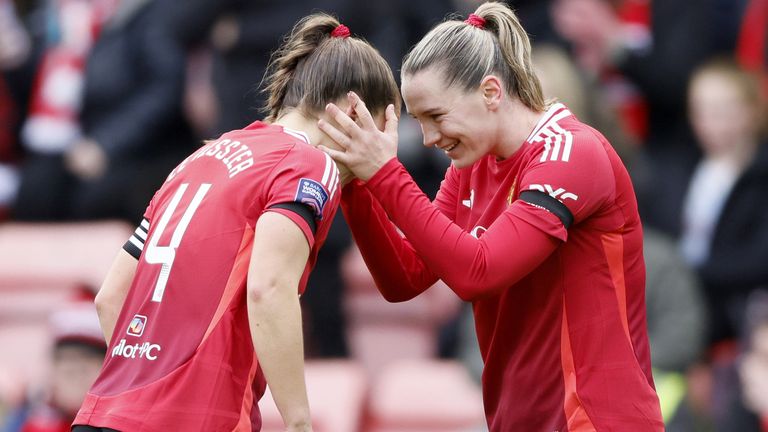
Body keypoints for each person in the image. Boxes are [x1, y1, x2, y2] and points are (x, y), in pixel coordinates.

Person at [317, 2, 663, 430]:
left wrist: (385, 174)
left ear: (491, 93)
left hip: (593, 420)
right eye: (419, 121)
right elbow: (404, 278)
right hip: (517, 419)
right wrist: (357, 184)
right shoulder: (473, 165)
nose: (427, 139)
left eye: (437, 116)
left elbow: (478, 272)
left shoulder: (570, 152)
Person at [71, 13, 400, 432]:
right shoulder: (308, 163)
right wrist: (299, 423)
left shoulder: (201, 157)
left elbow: (110, 297)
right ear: (354, 113)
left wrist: (150, 385)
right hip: (196, 420)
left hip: (103, 415)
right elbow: (268, 289)